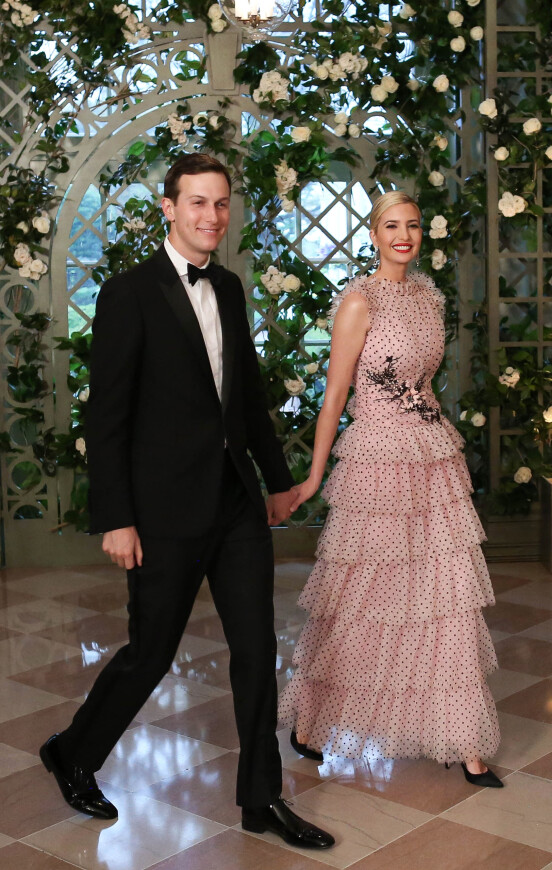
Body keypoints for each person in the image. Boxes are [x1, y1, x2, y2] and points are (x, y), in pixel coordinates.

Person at [39, 153, 334, 849]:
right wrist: (115, 517)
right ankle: (73, 752)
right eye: (197, 203)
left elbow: (248, 399)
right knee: (150, 653)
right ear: (168, 207)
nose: (211, 216)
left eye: (221, 204)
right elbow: (106, 416)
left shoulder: (230, 287)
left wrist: (280, 480)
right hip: (162, 510)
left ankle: (261, 799)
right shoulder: (128, 293)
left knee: (257, 649)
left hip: (234, 504)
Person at [279, 191, 502, 788]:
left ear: (421, 234)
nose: (403, 235)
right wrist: (315, 474)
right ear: (374, 234)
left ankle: (462, 739)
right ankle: (312, 722)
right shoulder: (359, 300)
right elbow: (334, 397)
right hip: (376, 458)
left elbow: (422, 381)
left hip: (432, 459)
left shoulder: (429, 296)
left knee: (442, 593)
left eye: (413, 226)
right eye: (390, 226)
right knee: (362, 597)